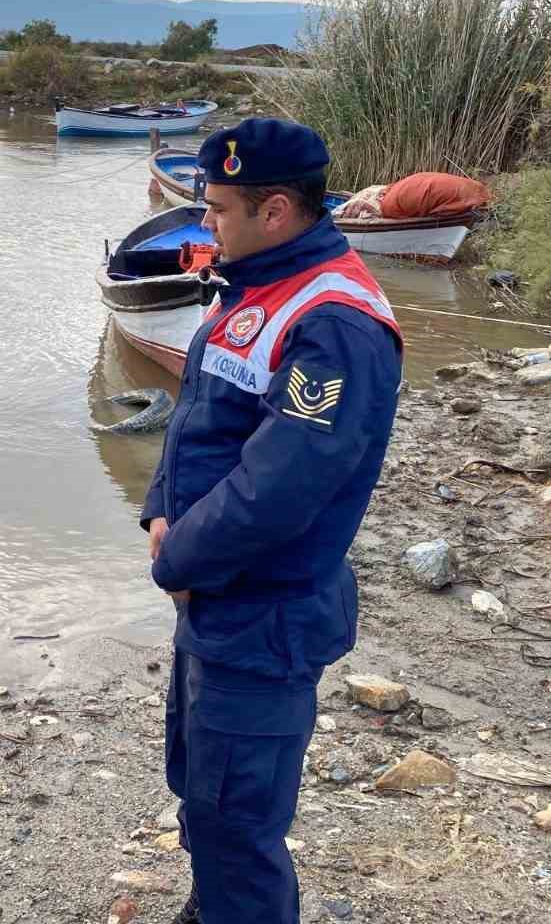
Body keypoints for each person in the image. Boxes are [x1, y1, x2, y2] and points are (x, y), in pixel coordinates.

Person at [142, 118, 403, 924]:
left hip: (265, 614)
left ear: (278, 210)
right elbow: (203, 417)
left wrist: (175, 559)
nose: (206, 224)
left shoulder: (332, 325)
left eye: (218, 209)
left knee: (240, 822)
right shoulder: (257, 284)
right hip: (217, 602)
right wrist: (159, 508)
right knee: (203, 797)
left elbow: (279, 490)